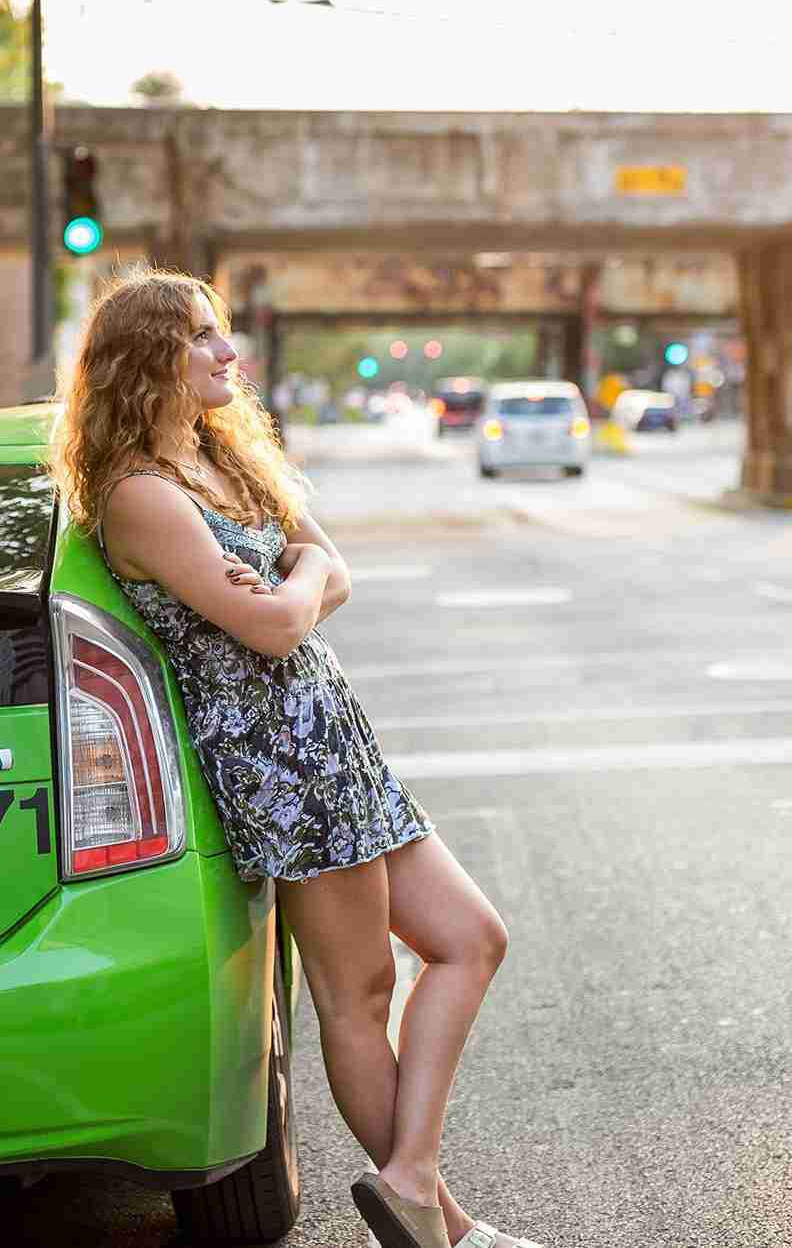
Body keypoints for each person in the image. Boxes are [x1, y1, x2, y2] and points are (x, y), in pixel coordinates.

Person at [48, 267, 536, 1248]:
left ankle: (414, 1182)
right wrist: (293, 581)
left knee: (470, 937)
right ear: (147, 360)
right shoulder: (140, 495)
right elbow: (270, 630)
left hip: (333, 740)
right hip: (278, 762)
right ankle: (438, 1220)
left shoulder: (230, 462)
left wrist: (297, 573)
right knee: (355, 992)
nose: (226, 353)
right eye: (200, 337)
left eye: (221, 332)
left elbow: (328, 572)